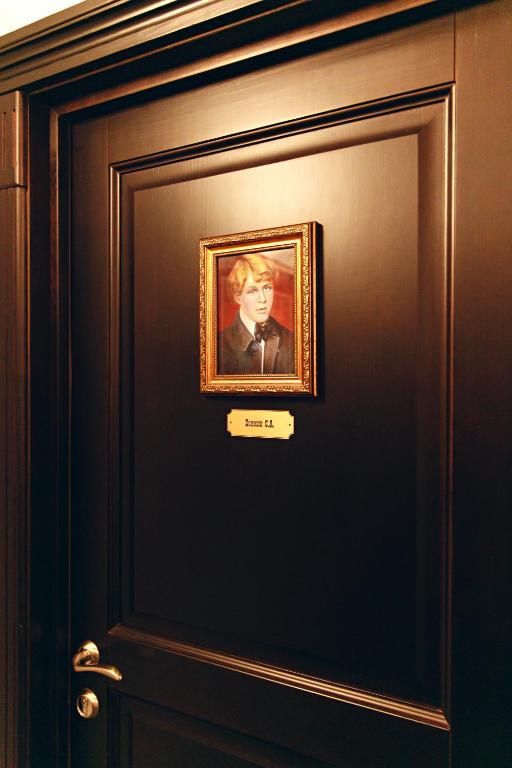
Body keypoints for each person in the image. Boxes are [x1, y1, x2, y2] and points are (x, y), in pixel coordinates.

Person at [217, 253, 295, 375]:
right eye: (252, 291)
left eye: (267, 288)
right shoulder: (218, 345)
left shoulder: (292, 341)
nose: (262, 299)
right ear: (238, 297)